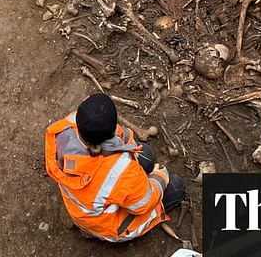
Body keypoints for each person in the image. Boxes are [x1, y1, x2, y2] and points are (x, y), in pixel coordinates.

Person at [44, 93, 186, 242]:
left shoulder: (66, 126)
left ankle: (80, 221)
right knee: (176, 187)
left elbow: (120, 135)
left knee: (146, 155)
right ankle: (92, 232)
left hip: (81, 203)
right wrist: (159, 177)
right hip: (107, 224)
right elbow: (144, 203)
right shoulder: (117, 172)